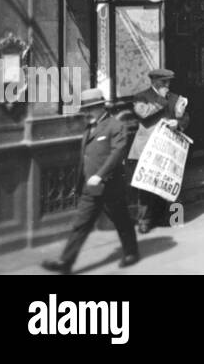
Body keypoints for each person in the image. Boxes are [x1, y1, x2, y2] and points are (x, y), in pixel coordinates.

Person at [42, 88, 140, 273]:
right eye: (85, 110)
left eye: (90, 109)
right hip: (90, 188)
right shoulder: (89, 129)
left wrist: (100, 175)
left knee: (121, 220)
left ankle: (131, 253)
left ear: (101, 107)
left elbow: (117, 153)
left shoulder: (115, 126)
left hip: (110, 185)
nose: (87, 113)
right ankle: (66, 262)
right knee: (81, 223)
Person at [128, 67, 189, 234]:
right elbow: (144, 113)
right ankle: (145, 221)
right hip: (148, 149)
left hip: (168, 149)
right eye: (164, 82)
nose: (167, 85)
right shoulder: (141, 97)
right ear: (154, 82)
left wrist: (179, 123)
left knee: (172, 183)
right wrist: (161, 99)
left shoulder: (175, 97)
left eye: (169, 82)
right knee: (147, 186)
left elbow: (185, 117)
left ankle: (175, 218)